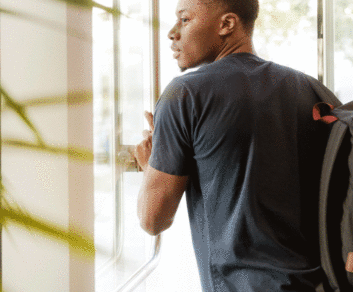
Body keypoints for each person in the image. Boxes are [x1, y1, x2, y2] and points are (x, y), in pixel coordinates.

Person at [131, 0, 331, 290]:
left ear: (227, 24)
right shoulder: (312, 90)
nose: (172, 33)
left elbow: (152, 220)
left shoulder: (185, 94)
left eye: (185, 20)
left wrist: (151, 165)